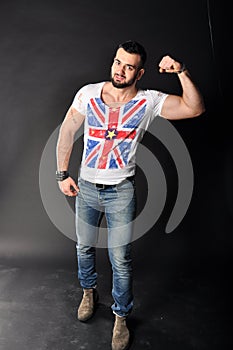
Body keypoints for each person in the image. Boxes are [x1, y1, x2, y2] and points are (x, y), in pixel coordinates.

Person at [56, 40, 205, 350]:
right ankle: (89, 291)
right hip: (86, 188)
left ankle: (121, 316)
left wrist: (182, 71)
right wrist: (62, 173)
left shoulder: (148, 102)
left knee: (120, 259)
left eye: (128, 66)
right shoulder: (89, 93)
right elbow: (68, 130)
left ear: (140, 73)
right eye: (117, 62)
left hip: (121, 192)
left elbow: (194, 108)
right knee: (84, 246)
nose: (119, 69)